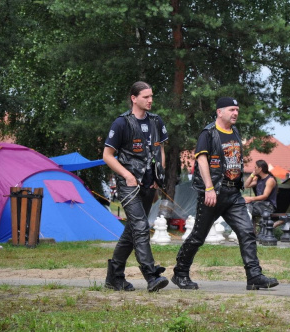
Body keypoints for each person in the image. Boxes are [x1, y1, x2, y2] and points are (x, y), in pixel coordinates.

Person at [171, 97, 279, 291]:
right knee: (198, 236)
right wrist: (209, 188)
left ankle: (254, 276)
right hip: (213, 193)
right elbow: (202, 161)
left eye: (237, 109)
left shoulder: (235, 132)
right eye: (231, 109)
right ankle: (180, 273)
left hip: (233, 194)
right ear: (219, 112)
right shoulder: (209, 133)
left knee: (247, 232)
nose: (235, 113)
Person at [103, 81, 169, 292]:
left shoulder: (156, 121)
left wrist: (160, 174)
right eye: (146, 97)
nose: (150, 100)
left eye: (151, 96)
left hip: (150, 183)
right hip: (129, 184)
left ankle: (114, 277)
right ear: (134, 98)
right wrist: (126, 175)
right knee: (140, 226)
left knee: (132, 230)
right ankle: (151, 276)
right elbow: (107, 156)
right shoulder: (121, 123)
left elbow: (160, 150)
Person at [244, 160, 278, 232]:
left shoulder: (270, 180)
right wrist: (252, 175)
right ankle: (248, 229)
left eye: (255, 167)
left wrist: (250, 198)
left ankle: (248, 229)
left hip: (268, 206)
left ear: (260, 169)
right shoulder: (258, 179)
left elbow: (265, 196)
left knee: (247, 207)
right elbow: (246, 185)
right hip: (259, 204)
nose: (254, 169)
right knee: (244, 205)